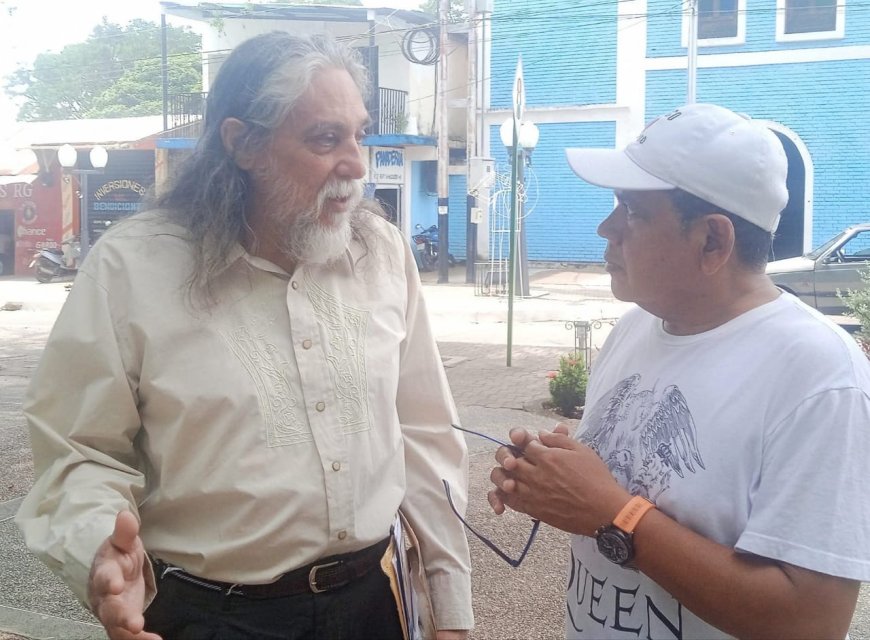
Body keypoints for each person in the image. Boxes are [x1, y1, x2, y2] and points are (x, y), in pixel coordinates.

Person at [17, 32, 473, 640]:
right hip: (212, 618)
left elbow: (425, 436)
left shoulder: (382, 254)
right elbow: (80, 450)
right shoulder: (133, 268)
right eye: (325, 139)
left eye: (358, 134)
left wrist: (451, 607)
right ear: (244, 144)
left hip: (375, 603)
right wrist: (100, 547)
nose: (356, 164)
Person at [488, 103, 870, 639]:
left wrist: (612, 515)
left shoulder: (818, 375)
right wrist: (550, 476)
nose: (606, 227)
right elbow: (618, 486)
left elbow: (811, 621)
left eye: (632, 212)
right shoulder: (636, 327)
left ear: (713, 240)